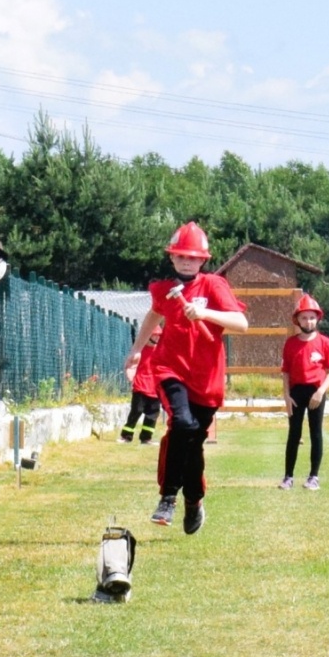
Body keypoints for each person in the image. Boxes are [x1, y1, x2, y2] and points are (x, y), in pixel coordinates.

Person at [126, 221, 248, 535]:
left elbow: (241, 323)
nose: (186, 261)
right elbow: (154, 313)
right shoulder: (162, 289)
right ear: (172, 258)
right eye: (180, 256)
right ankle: (168, 498)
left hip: (207, 379)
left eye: (192, 257)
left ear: (202, 260)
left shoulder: (214, 286)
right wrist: (137, 350)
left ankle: (194, 499)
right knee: (181, 424)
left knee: (192, 441)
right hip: (171, 370)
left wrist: (204, 313)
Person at [281, 293, 329, 490]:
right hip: (296, 393)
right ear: (297, 319)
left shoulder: (325, 342)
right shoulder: (290, 343)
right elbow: (286, 373)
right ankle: (288, 476)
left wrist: (320, 392)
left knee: (316, 433)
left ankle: (314, 476)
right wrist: (286, 396)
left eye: (312, 317)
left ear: (318, 318)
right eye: (304, 317)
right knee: (294, 434)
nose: (308, 321)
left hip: (316, 393)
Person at [119, 328, 162, 445]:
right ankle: (126, 436)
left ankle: (146, 438)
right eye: (155, 335)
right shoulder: (139, 351)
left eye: (159, 336)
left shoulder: (161, 351)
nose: (157, 338)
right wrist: (131, 377)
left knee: (152, 415)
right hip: (141, 387)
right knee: (136, 412)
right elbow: (130, 366)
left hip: (155, 389)